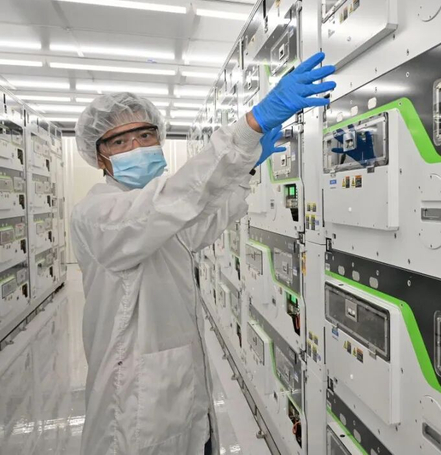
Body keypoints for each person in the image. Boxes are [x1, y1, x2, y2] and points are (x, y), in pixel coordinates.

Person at [71, 52, 335, 455]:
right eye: (120, 141)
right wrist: (248, 127)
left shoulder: (154, 213)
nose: (137, 146)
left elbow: (199, 225)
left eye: (145, 135)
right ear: (98, 156)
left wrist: (246, 171)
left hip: (179, 385)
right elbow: (169, 203)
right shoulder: (98, 213)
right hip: (135, 404)